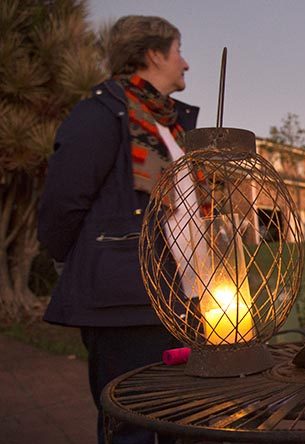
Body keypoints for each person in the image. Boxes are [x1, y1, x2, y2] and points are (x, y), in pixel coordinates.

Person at [38, 16, 197, 444]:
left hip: (180, 300)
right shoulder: (102, 114)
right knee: (133, 426)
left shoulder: (174, 129)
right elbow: (62, 203)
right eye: (178, 50)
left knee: (183, 421)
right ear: (153, 54)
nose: (185, 64)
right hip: (126, 303)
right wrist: (70, 258)